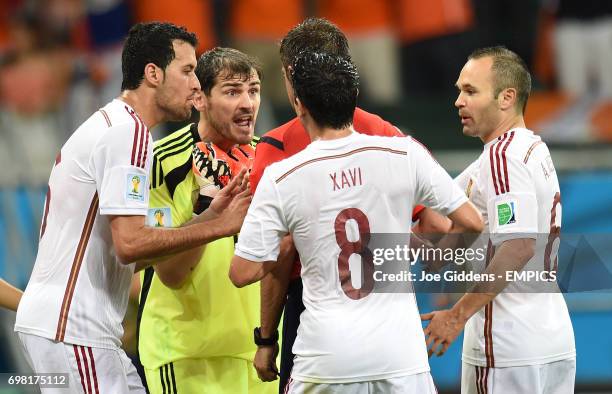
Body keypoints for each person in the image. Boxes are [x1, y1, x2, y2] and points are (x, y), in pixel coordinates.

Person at [14, 22, 250, 393]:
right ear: (153, 74)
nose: (195, 84)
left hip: (73, 328)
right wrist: (220, 226)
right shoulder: (130, 133)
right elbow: (130, 246)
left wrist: (208, 215)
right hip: (75, 327)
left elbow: (125, 253)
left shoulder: (114, 125)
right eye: (187, 71)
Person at [229, 51, 483, 393]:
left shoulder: (282, 176)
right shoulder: (403, 152)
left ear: (299, 104)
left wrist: (294, 236)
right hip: (401, 356)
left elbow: (242, 273)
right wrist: (409, 247)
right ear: (354, 99)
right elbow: (471, 222)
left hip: (326, 357)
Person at [421, 46, 576, 393]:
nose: (458, 101)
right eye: (459, 90)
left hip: (506, 344)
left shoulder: (502, 157)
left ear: (507, 97)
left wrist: (456, 316)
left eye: (470, 91)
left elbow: (518, 246)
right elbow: (438, 231)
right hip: (551, 338)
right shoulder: (530, 148)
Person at [138, 47, 277, 394]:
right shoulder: (161, 163)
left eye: (254, 90)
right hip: (186, 356)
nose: (247, 103)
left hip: (259, 354)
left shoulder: (273, 164)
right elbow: (169, 273)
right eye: (232, 91)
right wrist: (208, 210)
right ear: (200, 98)